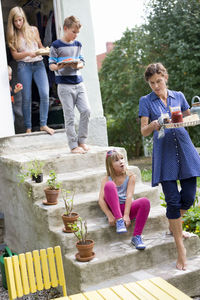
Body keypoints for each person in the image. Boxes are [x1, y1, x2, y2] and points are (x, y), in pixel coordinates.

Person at [139, 62, 200, 270]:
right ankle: (180, 249)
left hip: (185, 150)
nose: (156, 86)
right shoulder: (146, 101)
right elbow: (144, 131)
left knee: (189, 196)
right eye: (152, 83)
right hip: (164, 155)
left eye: (159, 81)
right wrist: (154, 125)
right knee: (173, 201)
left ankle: (174, 224)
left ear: (165, 77)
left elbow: (188, 116)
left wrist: (193, 114)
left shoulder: (179, 96)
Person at [7, 6, 54, 135]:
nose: (18, 23)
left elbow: (40, 46)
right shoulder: (12, 35)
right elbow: (15, 56)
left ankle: (43, 124)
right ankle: (28, 128)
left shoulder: (33, 30)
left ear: (24, 19)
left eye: (20, 20)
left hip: (38, 64)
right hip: (23, 66)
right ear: (12, 22)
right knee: (26, 97)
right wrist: (28, 53)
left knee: (44, 94)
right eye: (15, 21)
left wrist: (47, 51)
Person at [49, 15, 90, 154]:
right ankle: (73, 146)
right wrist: (59, 66)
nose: (75, 35)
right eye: (73, 32)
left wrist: (77, 64)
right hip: (64, 86)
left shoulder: (78, 45)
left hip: (79, 83)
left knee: (86, 111)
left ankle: (82, 141)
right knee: (70, 116)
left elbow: (82, 62)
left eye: (77, 33)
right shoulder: (55, 45)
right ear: (65, 29)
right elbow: (51, 66)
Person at [99, 149, 150, 250]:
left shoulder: (130, 176)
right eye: (116, 160)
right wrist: (109, 215)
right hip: (115, 211)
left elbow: (129, 196)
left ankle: (137, 236)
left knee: (145, 202)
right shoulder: (106, 179)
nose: (121, 161)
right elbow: (101, 200)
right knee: (109, 185)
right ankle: (119, 221)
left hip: (127, 209)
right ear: (110, 165)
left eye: (122, 158)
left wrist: (126, 215)